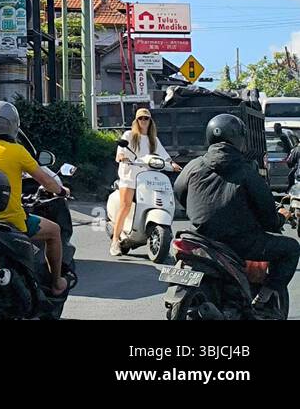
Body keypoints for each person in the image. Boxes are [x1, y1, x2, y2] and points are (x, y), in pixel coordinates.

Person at [174, 113, 299, 310]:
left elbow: (179, 193)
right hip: (238, 242)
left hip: (200, 238)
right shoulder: (247, 169)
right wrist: (279, 220)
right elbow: (267, 214)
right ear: (239, 139)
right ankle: (264, 298)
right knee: (291, 248)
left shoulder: (192, 166)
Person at [0, 100, 71, 296]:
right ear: (12, 125)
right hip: (10, 221)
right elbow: (45, 180)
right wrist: (62, 191)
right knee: (54, 231)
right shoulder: (17, 151)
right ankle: (56, 283)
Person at [110, 108, 180, 256]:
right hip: (129, 175)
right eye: (140, 118)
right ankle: (115, 241)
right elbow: (120, 152)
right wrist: (123, 157)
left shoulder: (153, 139)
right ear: (136, 121)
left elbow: (165, 156)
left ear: (150, 121)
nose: (143, 121)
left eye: (146, 118)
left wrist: (172, 164)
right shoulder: (129, 135)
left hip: (146, 178)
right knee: (125, 205)